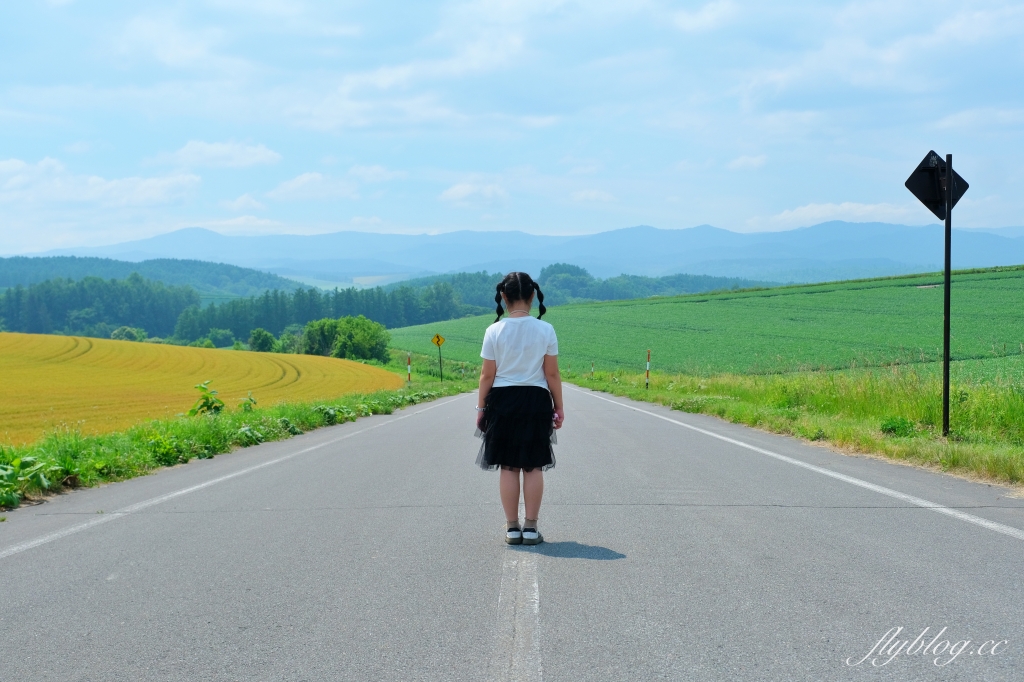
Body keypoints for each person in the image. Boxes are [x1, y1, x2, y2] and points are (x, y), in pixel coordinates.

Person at [476, 271, 564, 546]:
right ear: (533, 296)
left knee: (509, 467)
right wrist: (559, 407)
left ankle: (512, 528)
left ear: (504, 296)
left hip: (502, 401)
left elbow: (487, 376)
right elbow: (552, 375)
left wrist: (481, 408)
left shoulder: (494, 330)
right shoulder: (545, 329)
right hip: (535, 400)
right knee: (534, 466)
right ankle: (531, 528)